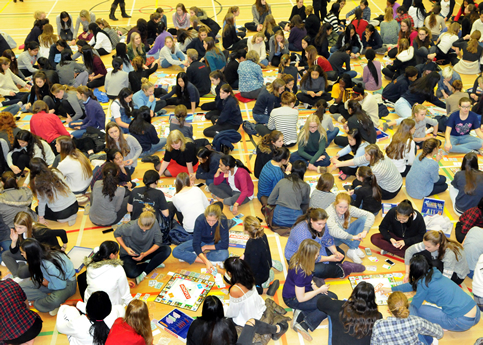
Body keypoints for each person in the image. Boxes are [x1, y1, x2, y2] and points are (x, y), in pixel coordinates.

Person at [388, 254, 480, 332]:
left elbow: (415, 305)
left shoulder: (424, 284)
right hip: (475, 313)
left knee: (415, 309)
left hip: (461, 321)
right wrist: (392, 289)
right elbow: (413, 284)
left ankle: (444, 325)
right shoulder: (434, 272)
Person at [282, 238, 337, 341]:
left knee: (333, 297)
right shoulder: (300, 271)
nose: (317, 256)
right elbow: (301, 298)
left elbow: (309, 277)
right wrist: (318, 291)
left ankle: (301, 314)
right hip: (293, 299)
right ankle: (305, 324)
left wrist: (315, 286)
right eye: (316, 254)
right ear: (309, 256)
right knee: (329, 304)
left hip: (303, 291)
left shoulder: (300, 259)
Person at [2, 211, 68, 279]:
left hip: (41, 257)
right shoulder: (20, 231)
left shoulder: (39, 232)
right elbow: (14, 251)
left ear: (28, 225)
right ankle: (17, 276)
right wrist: (14, 241)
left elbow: (62, 232)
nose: (17, 229)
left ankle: (21, 267)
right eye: (16, 226)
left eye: (20, 227)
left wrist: (64, 246)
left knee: (22, 273)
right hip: (28, 254)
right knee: (5, 254)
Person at [114, 204, 171, 284]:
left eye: (147, 229)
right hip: (130, 254)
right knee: (131, 273)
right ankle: (152, 263)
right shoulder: (130, 226)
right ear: (138, 221)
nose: (144, 231)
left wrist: (144, 254)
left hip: (144, 253)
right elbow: (116, 234)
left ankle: (145, 272)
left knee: (167, 249)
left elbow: (158, 242)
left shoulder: (154, 223)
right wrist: (126, 248)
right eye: (142, 228)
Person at [18, 238, 76, 315]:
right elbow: (37, 275)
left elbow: (61, 285)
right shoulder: (39, 256)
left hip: (67, 283)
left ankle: (38, 303)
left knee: (55, 300)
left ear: (30, 253)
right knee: (18, 288)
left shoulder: (48, 264)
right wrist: (42, 281)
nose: (21, 254)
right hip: (49, 281)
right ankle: (47, 301)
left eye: (22, 252)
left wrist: (47, 284)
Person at [317, 281, 381, 345]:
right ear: (372, 299)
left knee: (331, 314)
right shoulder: (377, 316)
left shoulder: (340, 306)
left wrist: (335, 301)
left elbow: (320, 301)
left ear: (354, 294)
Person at [332, 144, 403, 200]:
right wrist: (338, 164)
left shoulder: (377, 169)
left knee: (357, 183)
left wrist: (356, 190)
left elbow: (372, 185)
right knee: (358, 182)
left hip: (389, 191)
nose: (364, 156)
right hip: (396, 183)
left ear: (372, 156)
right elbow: (357, 161)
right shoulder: (377, 157)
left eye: (366, 154)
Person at [371, 291, 444, 345]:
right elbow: (440, 333)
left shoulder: (378, 325)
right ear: (407, 306)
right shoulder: (415, 321)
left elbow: (374, 343)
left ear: (389, 309)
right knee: (425, 335)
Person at [172, 204, 229, 271]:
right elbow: (196, 243)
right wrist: (205, 261)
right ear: (205, 217)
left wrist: (205, 247)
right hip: (201, 241)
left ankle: (192, 255)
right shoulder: (200, 220)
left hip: (214, 242)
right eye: (208, 220)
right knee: (176, 251)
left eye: (214, 220)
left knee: (224, 255)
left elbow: (225, 244)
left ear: (218, 218)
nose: (211, 223)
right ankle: (211, 261)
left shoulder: (223, 220)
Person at [56, 291, 125, 345]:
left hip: (79, 338)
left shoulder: (78, 323)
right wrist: (77, 303)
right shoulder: (116, 312)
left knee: (69, 310)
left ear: (88, 309)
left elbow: (59, 327)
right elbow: (98, 310)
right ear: (109, 308)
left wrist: (62, 307)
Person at [405, 230, 469, 285]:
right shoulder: (430, 242)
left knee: (433, 264)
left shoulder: (449, 254)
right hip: (443, 263)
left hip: (456, 276)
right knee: (419, 254)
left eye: (428, 247)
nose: (425, 248)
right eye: (425, 245)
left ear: (437, 245)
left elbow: (446, 279)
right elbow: (409, 251)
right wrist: (407, 273)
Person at [80, 240, 133, 306]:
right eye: (116, 253)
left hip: (91, 305)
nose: (117, 255)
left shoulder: (90, 266)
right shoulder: (117, 268)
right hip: (110, 308)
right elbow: (126, 296)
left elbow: (103, 280)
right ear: (111, 255)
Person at [326, 192, 374, 264]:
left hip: (345, 234)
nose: (343, 210)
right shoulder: (329, 212)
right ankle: (353, 246)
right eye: (340, 207)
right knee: (337, 228)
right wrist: (353, 237)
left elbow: (370, 215)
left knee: (364, 218)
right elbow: (334, 231)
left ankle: (353, 248)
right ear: (335, 204)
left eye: (345, 207)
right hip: (334, 239)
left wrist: (365, 231)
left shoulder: (350, 209)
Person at [29, 157, 79, 225]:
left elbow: (42, 202)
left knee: (38, 209)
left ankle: (63, 219)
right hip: (75, 205)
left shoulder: (38, 181)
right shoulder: (55, 171)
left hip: (62, 213)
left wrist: (41, 218)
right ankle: (70, 216)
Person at [0, 279, 43, 345]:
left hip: (14, 338)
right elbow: (26, 304)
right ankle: (28, 339)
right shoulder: (10, 282)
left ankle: (24, 341)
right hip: (35, 325)